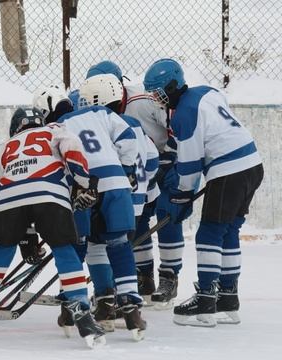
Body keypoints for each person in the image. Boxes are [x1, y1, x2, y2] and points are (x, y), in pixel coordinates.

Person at [0, 107, 104, 348]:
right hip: (49, 193)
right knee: (64, 249)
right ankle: (81, 311)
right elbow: (72, 147)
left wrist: (26, 240)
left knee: (1, 249)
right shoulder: (54, 129)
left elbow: (7, 184)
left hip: (8, 198)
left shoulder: (5, 146)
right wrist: (83, 183)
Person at [144, 58, 264, 327]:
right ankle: (228, 298)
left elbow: (189, 167)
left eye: (158, 92)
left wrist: (181, 197)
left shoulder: (185, 114)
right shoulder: (207, 91)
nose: (155, 98)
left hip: (228, 170)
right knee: (228, 230)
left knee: (209, 232)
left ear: (172, 87)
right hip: (252, 164)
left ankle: (207, 300)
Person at [43, 80, 147, 341]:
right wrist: (127, 170)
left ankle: (71, 308)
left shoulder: (56, 126)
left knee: (77, 246)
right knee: (120, 245)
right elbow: (127, 138)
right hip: (115, 183)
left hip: (82, 186)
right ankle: (132, 310)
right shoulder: (103, 113)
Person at [84, 60, 183, 308]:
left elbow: (176, 127)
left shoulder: (144, 99)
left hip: (165, 162)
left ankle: (169, 276)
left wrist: (168, 160)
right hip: (132, 169)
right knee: (133, 220)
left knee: (167, 214)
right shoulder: (96, 104)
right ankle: (143, 276)